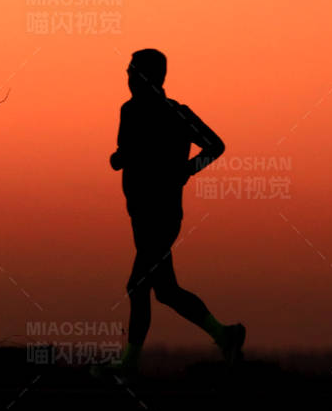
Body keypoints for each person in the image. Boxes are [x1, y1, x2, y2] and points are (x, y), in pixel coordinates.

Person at [101, 47, 244, 376]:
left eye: (133, 71)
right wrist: (121, 159)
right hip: (139, 213)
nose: (128, 77)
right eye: (128, 71)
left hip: (163, 215)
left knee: (138, 286)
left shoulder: (175, 113)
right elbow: (127, 152)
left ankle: (129, 364)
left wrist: (187, 170)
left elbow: (215, 145)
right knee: (164, 291)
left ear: (149, 76)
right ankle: (225, 334)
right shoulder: (130, 111)